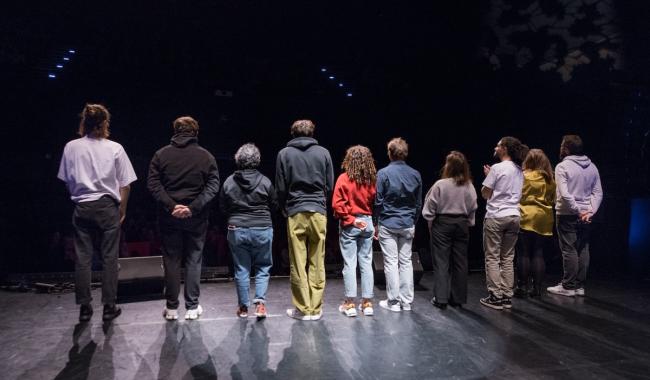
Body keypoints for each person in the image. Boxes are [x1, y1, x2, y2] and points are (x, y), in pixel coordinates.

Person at [57, 103, 137, 322]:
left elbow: (66, 180)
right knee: (109, 258)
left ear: (84, 122)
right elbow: (126, 184)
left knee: (83, 259)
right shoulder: (114, 148)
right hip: (107, 207)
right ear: (104, 123)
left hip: (82, 206)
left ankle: (84, 307)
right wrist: (122, 209)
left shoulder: (71, 147)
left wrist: (79, 197)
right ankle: (109, 306)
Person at [148, 116, 220, 320]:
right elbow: (213, 186)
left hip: (168, 217)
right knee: (193, 260)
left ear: (175, 131)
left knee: (171, 260)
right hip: (196, 218)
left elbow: (153, 185)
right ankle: (192, 306)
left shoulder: (161, 155)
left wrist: (171, 206)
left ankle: (171, 308)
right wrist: (193, 208)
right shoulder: (206, 156)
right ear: (195, 132)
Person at [275, 119, 334, 320]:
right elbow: (329, 184)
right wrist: (320, 202)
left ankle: (303, 308)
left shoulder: (284, 154)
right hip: (318, 211)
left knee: (298, 262)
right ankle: (315, 308)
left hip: (296, 211)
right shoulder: (324, 152)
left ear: (293, 133)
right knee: (318, 259)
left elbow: (281, 187)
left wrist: (285, 208)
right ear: (312, 132)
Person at [220, 143, 277, 319]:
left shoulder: (229, 181)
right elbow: (274, 205)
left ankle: (243, 308)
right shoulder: (265, 181)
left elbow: (222, 207)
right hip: (262, 228)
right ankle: (260, 305)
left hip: (237, 229)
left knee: (241, 269)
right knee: (262, 267)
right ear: (257, 160)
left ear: (238, 160)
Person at [547, 135, 602, 297]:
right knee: (583, 248)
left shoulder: (562, 166)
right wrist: (589, 211)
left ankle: (568, 286)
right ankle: (579, 286)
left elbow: (565, 194)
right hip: (586, 214)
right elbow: (597, 192)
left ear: (566, 148)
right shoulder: (592, 166)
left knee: (569, 249)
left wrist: (579, 211)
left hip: (567, 213)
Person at [422, 151, 477, 309]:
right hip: (462, 224)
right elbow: (473, 206)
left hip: (443, 223)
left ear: (448, 166)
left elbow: (429, 206)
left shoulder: (441, 184)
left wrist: (430, 222)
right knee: (460, 262)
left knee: (441, 261)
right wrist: (470, 222)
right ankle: (458, 298)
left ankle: (441, 298)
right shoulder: (469, 185)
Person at [375, 137, 422, 312]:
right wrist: (414, 222)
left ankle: (393, 302)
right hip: (408, 222)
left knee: (391, 262)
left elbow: (378, 201)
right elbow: (418, 204)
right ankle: (406, 302)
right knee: (406, 262)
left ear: (390, 153)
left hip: (388, 222)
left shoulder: (383, 173)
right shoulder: (415, 174)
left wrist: (376, 222)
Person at [480, 136, 528, 310]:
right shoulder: (518, 169)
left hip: (496, 215)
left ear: (505, 149)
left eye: (499, 145)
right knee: (508, 257)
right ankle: (507, 296)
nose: (496, 146)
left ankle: (495, 296)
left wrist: (488, 177)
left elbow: (486, 194)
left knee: (492, 256)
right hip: (514, 216)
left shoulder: (497, 168)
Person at [332, 145, 377, 317]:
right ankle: (367, 304)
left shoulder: (344, 178)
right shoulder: (371, 180)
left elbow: (337, 204)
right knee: (366, 263)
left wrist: (351, 220)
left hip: (352, 223)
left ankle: (350, 304)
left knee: (350, 263)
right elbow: (375, 202)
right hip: (367, 222)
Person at [515, 149, 556, 297]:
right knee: (538, 253)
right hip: (544, 217)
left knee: (523, 253)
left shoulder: (523, 176)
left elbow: (516, 195)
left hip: (526, 215)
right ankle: (537, 289)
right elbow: (553, 199)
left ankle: (521, 288)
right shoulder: (551, 180)